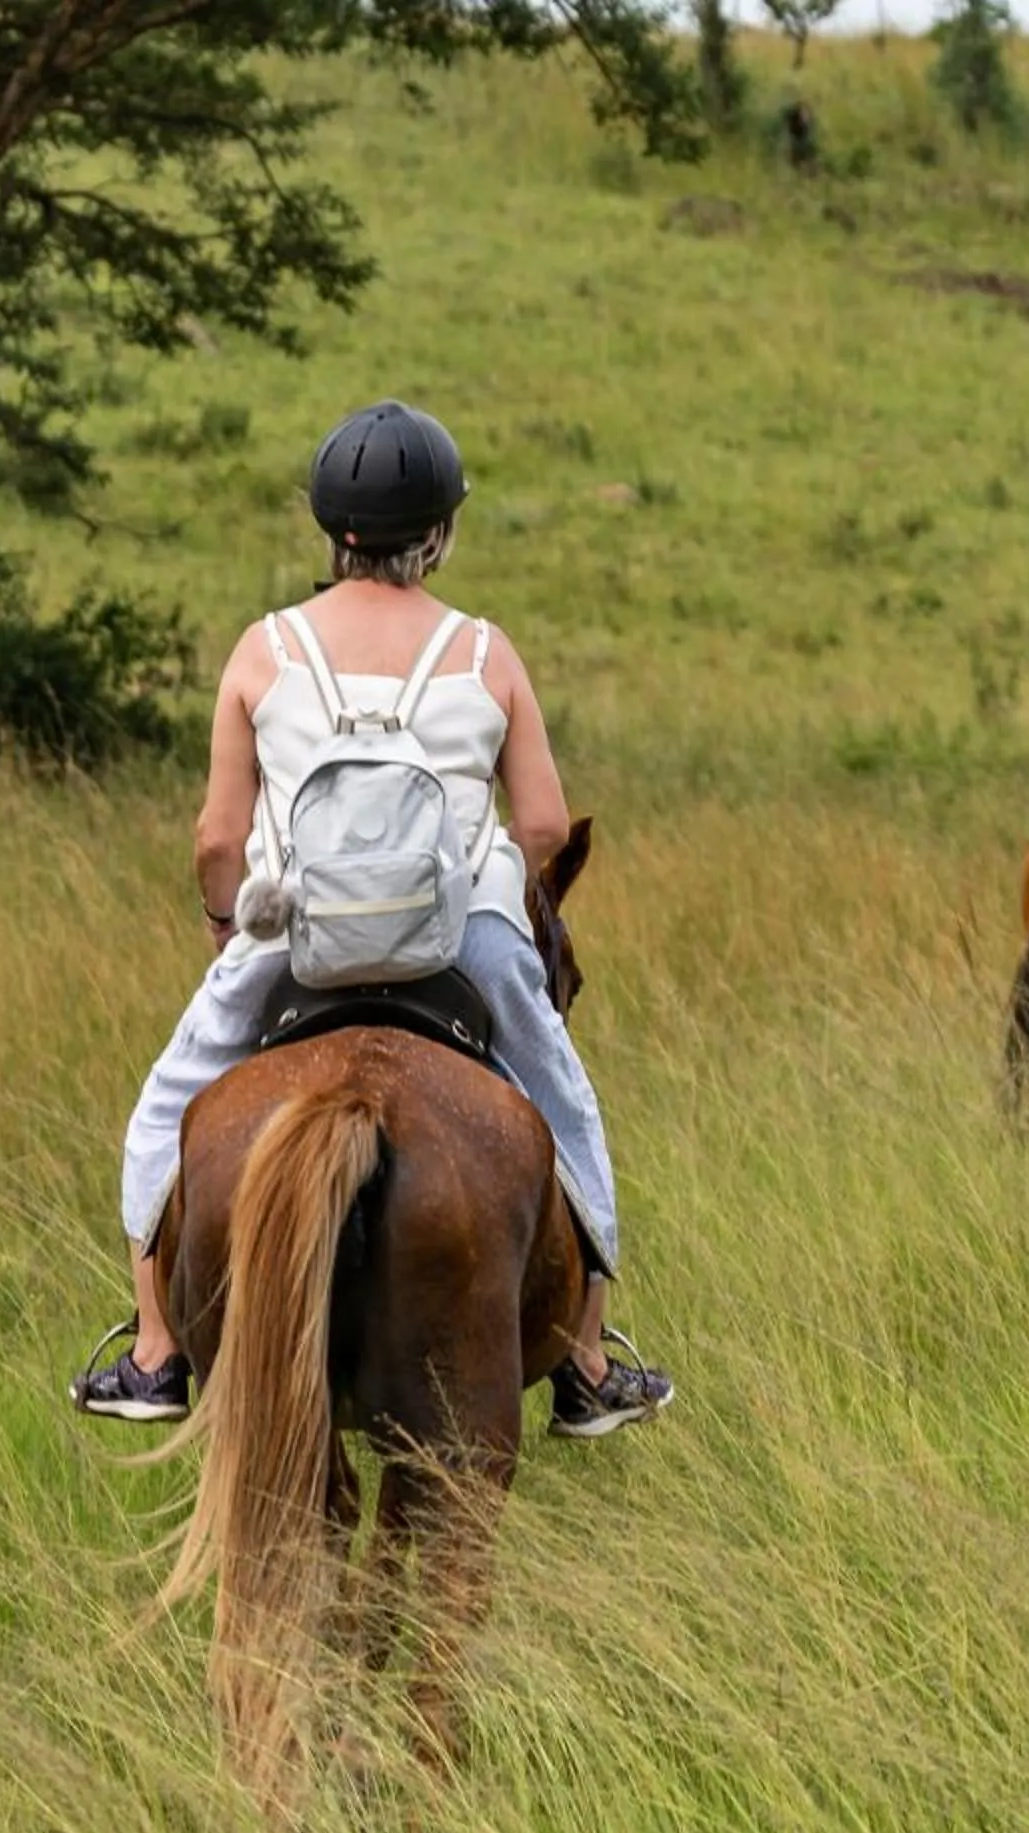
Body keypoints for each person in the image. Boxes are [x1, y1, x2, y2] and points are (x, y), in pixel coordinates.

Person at [72, 400, 673, 1439]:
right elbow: (539, 824)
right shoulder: (485, 652)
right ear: (438, 532)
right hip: (463, 933)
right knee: (565, 1102)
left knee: (165, 1106)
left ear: (331, 529)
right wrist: (502, 899)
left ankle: (158, 1348)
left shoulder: (264, 650)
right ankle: (585, 1356)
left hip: (293, 931)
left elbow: (219, 838)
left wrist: (232, 925)